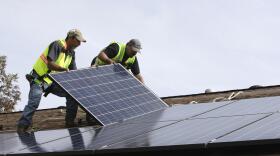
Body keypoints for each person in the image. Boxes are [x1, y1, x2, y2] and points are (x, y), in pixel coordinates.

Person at [17, 29, 86, 133]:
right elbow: (50, 64)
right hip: (39, 79)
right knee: (34, 102)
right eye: (78, 41)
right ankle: (22, 126)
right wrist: (63, 69)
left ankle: (70, 122)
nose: (79, 44)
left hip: (52, 82)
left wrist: (83, 80)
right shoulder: (57, 45)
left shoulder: (71, 53)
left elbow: (73, 72)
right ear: (71, 38)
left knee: (72, 94)